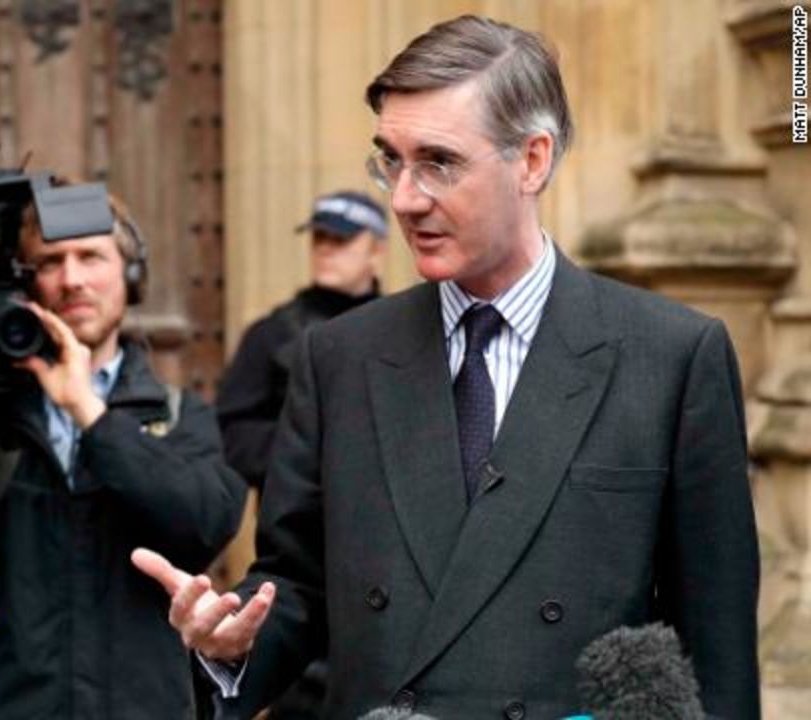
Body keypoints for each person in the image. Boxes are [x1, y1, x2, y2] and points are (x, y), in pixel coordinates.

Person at [134, 14, 759, 720]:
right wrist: (232, 642)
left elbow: (718, 651)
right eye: (391, 161)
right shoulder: (339, 356)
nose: (404, 198)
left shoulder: (671, 356)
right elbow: (296, 585)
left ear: (532, 160)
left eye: (439, 162)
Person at [0, 187, 248, 719]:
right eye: (50, 261)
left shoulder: (176, 414)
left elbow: (202, 526)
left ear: (130, 277)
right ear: (27, 282)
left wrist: (89, 412)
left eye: (91, 256)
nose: (72, 278)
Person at [217, 190, 387, 491]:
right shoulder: (271, 334)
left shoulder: (404, 329)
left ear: (376, 252)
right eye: (318, 238)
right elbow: (231, 436)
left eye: (340, 240)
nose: (324, 249)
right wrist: (311, 447)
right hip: (298, 518)